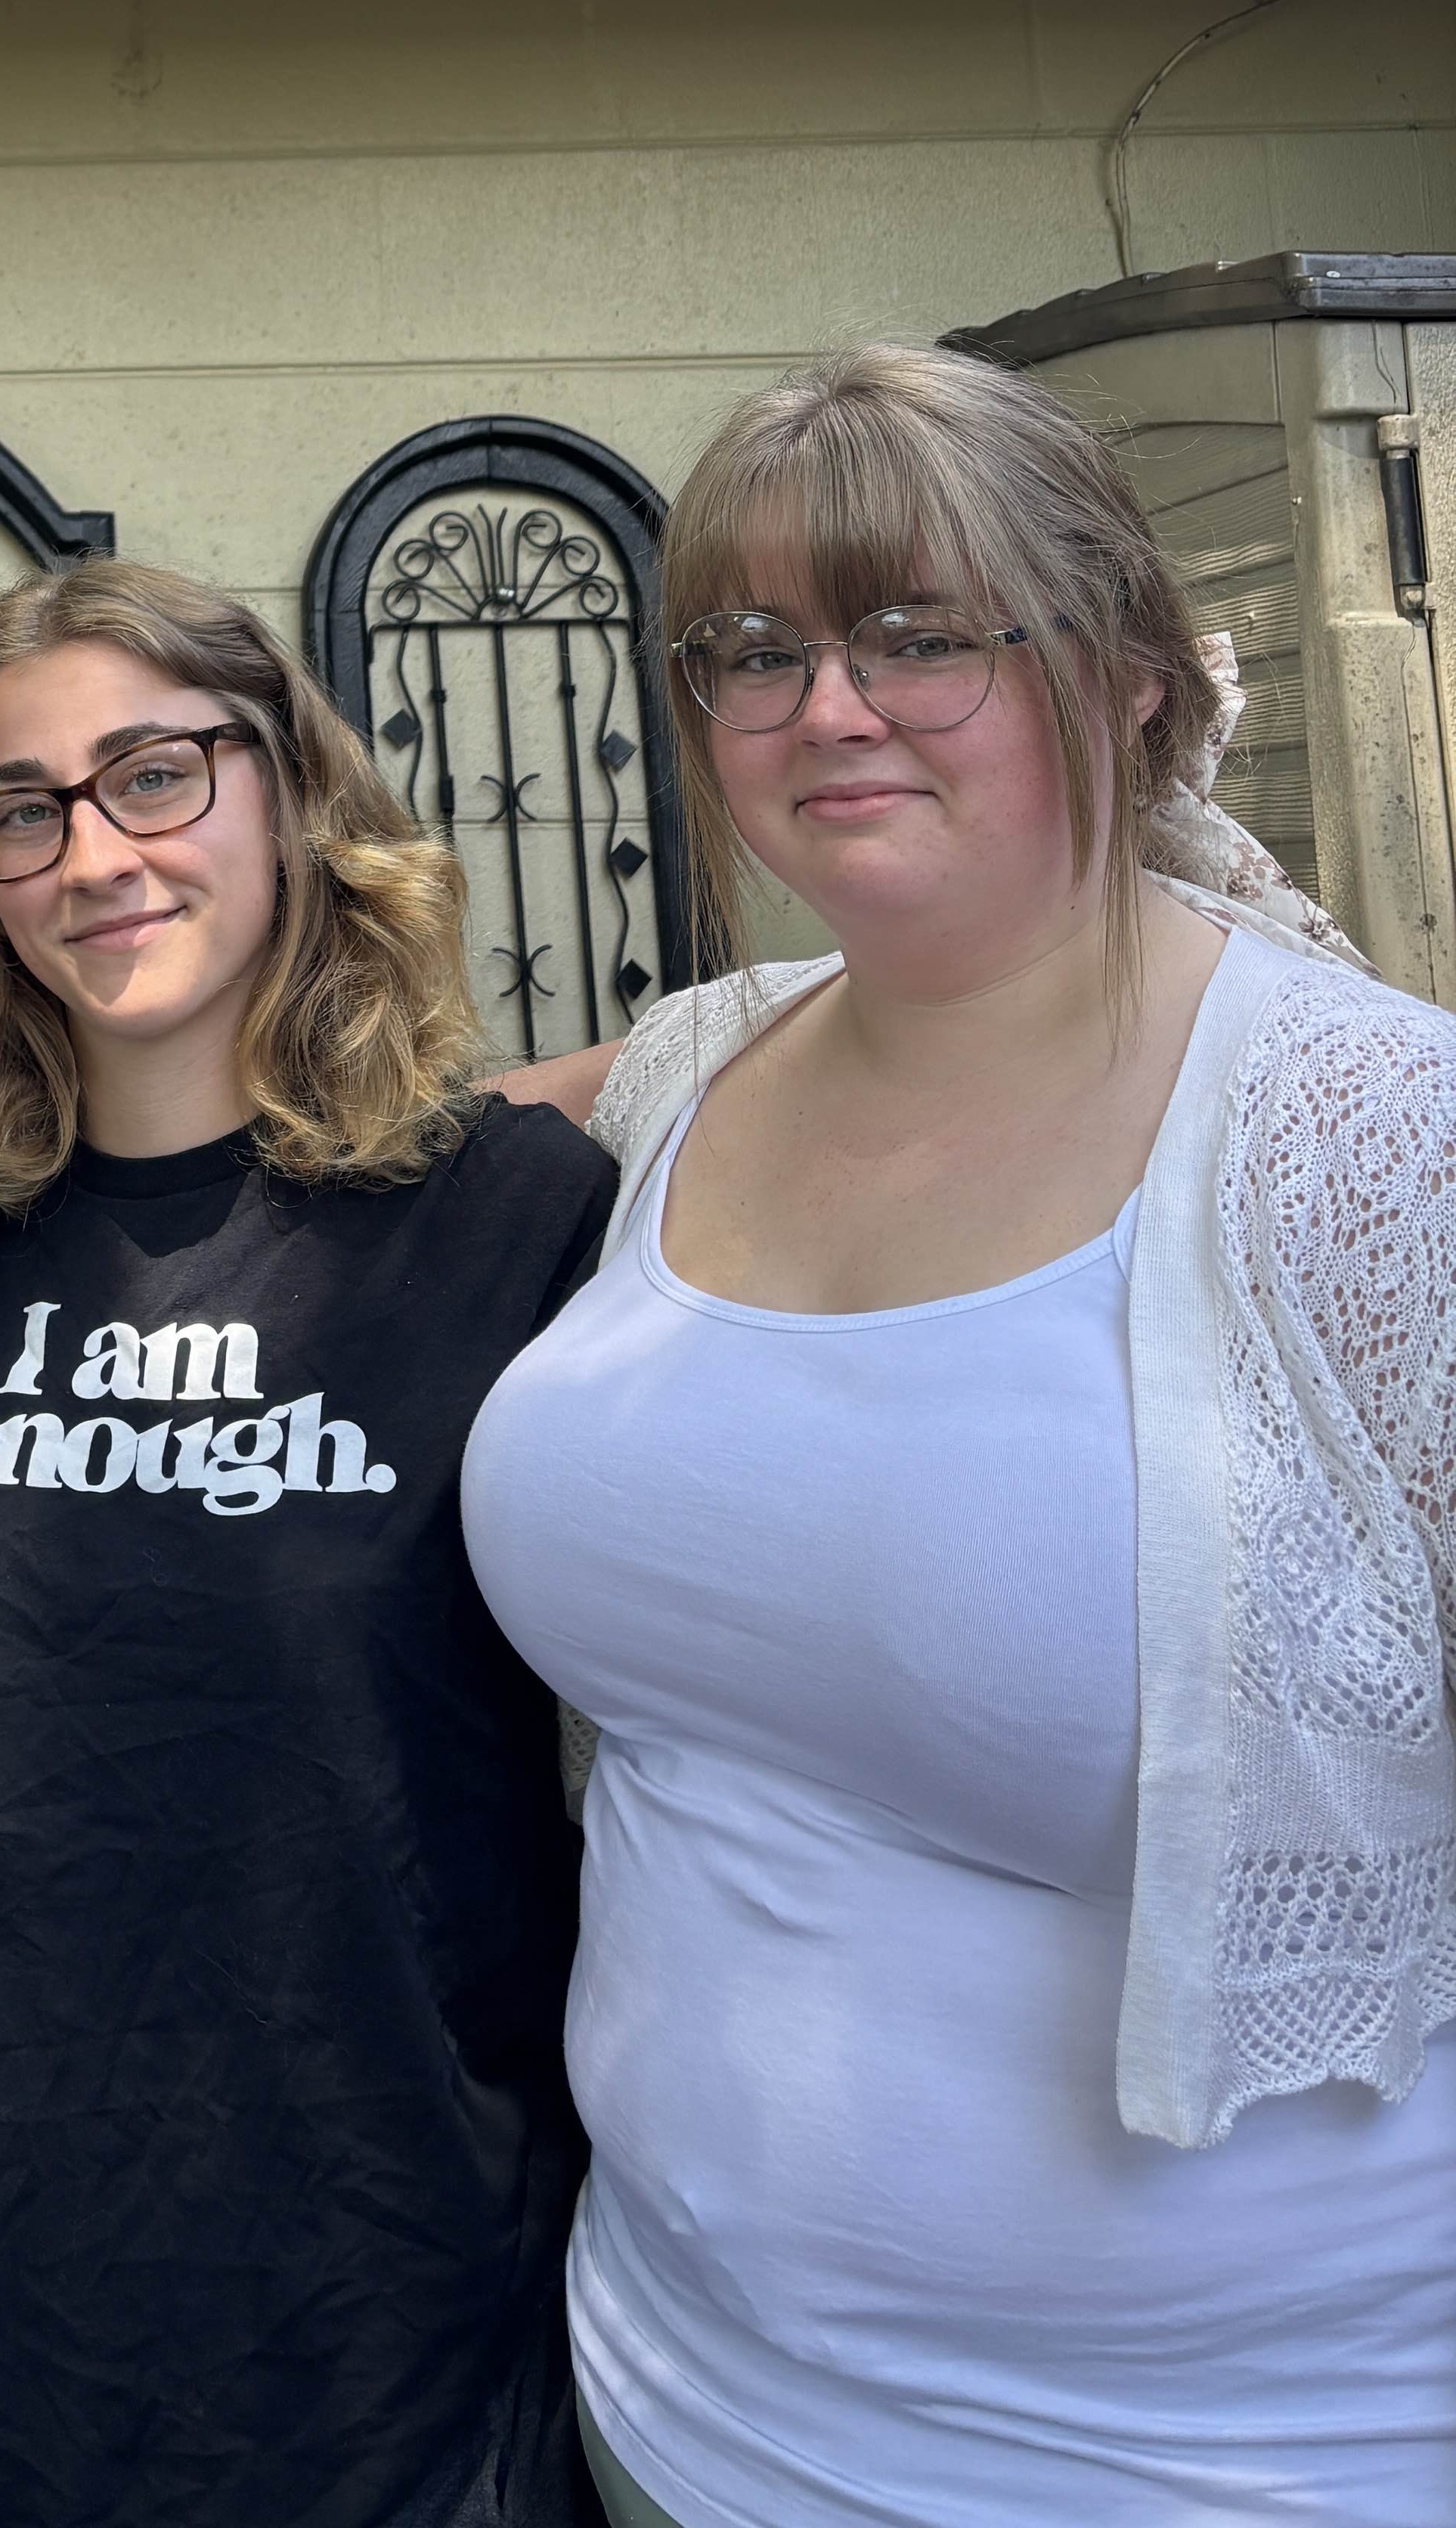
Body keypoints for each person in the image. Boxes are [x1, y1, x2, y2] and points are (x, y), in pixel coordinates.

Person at [461, 341, 1456, 2528]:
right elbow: (326, 1142)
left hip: (1247, 2459)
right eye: (755, 653)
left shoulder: (1377, 1145)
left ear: (1122, 671)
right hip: (669, 2411)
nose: (830, 707)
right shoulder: (687, 1075)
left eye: (921, 636)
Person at [0, 560, 615, 2528]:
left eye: (154, 774)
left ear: (288, 788)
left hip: (383, 2328)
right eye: (21, 809)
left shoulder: (515, 1223)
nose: (94, 855)